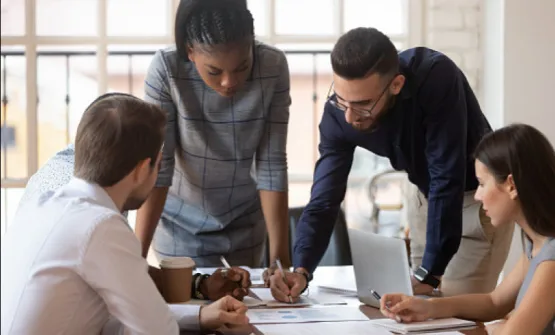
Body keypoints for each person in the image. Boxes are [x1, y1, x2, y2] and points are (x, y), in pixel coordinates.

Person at [269, 27, 514, 301]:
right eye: (342, 99)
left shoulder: (435, 77)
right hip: (426, 198)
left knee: (458, 313)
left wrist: (429, 273)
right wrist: (302, 270)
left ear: (396, 85)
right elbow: (324, 199)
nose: (350, 117)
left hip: (479, 202)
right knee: (417, 311)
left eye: (363, 104)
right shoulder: (338, 114)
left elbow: (447, 175)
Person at [0, 93, 249, 335]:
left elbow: (110, 317)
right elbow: (157, 330)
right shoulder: (100, 225)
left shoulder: (43, 206)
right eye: (158, 164)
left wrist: (199, 317)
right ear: (142, 169)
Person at [138, 0, 291, 271]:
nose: (229, 82)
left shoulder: (272, 66)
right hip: (180, 227)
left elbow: (272, 165)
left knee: (248, 309)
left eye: (242, 67)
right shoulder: (166, 69)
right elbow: (160, 169)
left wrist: (281, 264)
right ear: (190, 51)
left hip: (246, 223)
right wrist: (135, 260)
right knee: (191, 310)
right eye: (214, 71)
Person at [380, 123, 555, 335]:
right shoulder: (536, 241)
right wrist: (428, 308)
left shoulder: (551, 256)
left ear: (511, 185)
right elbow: (495, 302)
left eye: (481, 184)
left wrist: (498, 328)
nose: (478, 196)